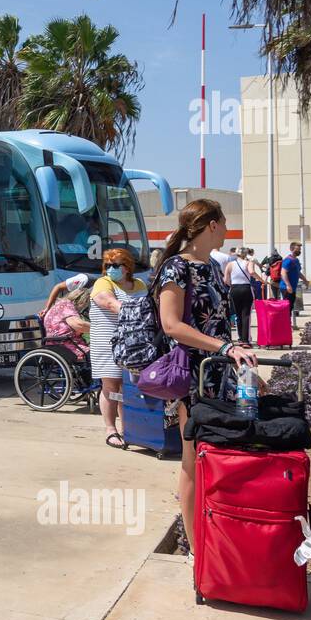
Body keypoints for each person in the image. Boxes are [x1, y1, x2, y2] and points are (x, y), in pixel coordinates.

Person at [153, 199, 257, 558]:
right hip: (192, 378)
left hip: (220, 373)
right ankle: (197, 548)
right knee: (192, 458)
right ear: (211, 225)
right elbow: (172, 325)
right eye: (224, 221)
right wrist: (224, 348)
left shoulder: (213, 267)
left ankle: (218, 532)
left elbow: (220, 322)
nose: (228, 229)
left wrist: (240, 356)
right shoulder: (175, 268)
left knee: (216, 455)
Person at [89, 248, 146, 449]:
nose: (111, 269)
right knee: (111, 385)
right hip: (107, 343)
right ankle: (110, 429)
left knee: (128, 386)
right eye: (108, 265)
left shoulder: (139, 284)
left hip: (134, 344)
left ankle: (128, 428)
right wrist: (140, 312)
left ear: (127, 267)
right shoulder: (103, 283)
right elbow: (110, 303)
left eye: (116, 265)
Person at [40, 276, 91, 361]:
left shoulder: (61, 304)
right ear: (82, 300)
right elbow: (78, 325)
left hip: (59, 343)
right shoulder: (66, 305)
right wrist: (99, 328)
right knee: (98, 353)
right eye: (86, 303)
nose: (84, 306)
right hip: (65, 345)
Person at [223, 247, 260, 344]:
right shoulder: (248, 262)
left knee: (238, 315)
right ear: (246, 254)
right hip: (246, 288)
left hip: (234, 289)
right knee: (246, 314)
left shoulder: (230, 264)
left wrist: (232, 285)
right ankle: (245, 340)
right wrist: (261, 280)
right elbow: (252, 272)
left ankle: (240, 339)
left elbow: (226, 280)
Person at [280, 242, 308, 328]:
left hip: (293, 287)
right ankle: (285, 325)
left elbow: (298, 272)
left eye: (299, 249)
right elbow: (283, 273)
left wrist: (305, 280)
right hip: (286, 288)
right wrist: (288, 285)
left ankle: (287, 323)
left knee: (290, 306)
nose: (299, 250)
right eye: (297, 249)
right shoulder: (288, 260)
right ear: (292, 249)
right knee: (287, 307)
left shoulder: (296, 260)